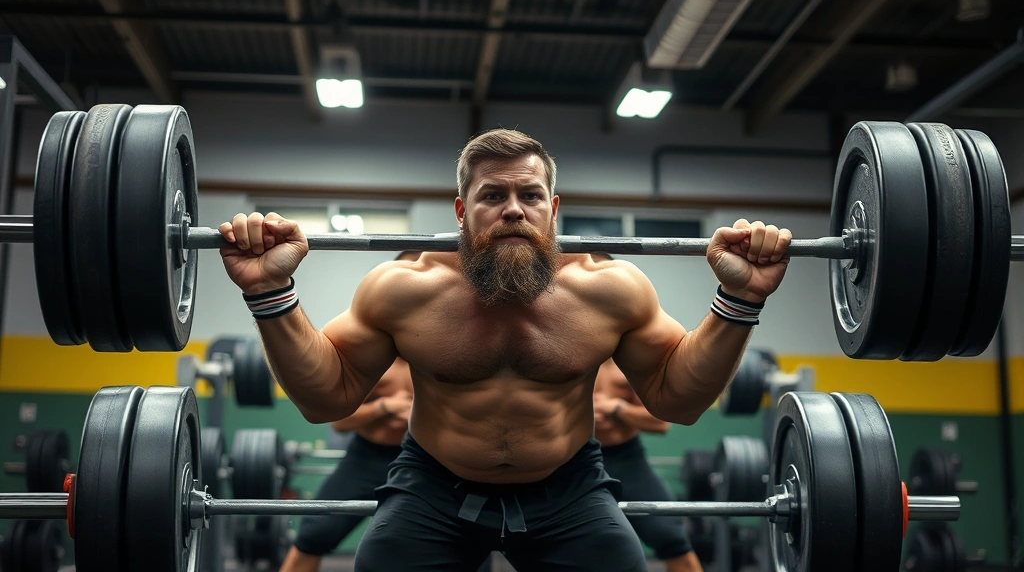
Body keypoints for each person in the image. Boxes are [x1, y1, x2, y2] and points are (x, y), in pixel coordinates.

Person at [218, 128, 791, 571]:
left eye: (529, 194)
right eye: (493, 195)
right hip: (434, 487)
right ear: (463, 211)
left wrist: (738, 301)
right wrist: (270, 292)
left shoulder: (610, 290)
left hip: (568, 488)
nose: (513, 208)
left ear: (553, 209)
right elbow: (325, 398)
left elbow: (678, 401)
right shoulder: (404, 289)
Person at [278, 253, 418, 572]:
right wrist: (384, 407)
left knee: (464, 544)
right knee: (314, 534)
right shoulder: (370, 350)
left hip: (429, 461)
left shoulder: (445, 352)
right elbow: (339, 424)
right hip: (367, 459)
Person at [593, 356, 703, 572]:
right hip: (572, 462)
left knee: (673, 540)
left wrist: (618, 408)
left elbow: (660, 424)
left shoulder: (629, 362)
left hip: (626, 460)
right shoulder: (565, 357)